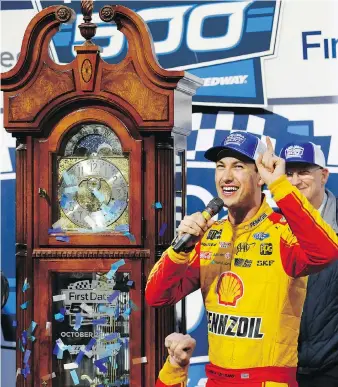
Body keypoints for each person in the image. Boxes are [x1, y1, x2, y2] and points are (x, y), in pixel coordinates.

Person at [145, 131, 338, 387]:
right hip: (216, 379)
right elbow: (157, 296)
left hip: (269, 380)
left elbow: (326, 252)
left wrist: (279, 185)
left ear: (260, 176)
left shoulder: (282, 231)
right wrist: (179, 250)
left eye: (238, 166)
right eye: (220, 167)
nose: (226, 176)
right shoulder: (209, 235)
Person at [280, 141, 338, 387]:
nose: (294, 181)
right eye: (288, 173)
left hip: (331, 368)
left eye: (303, 172)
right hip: (281, 367)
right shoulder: (270, 225)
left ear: (323, 175)